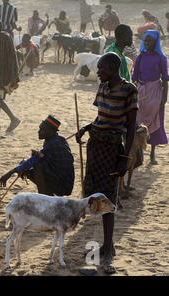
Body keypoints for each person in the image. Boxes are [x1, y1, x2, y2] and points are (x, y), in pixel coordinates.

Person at [76, 52, 138, 274]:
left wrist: (125, 158)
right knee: (95, 195)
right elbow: (100, 118)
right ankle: (104, 246)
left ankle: (109, 250)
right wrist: (86, 128)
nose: (98, 71)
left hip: (112, 149)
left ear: (112, 68)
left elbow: (130, 127)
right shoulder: (102, 86)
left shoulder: (129, 90)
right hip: (96, 146)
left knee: (109, 199)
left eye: (101, 68)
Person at [0, 116, 75, 197]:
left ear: (51, 131)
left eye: (42, 129)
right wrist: (40, 155)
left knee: (36, 166)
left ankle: (45, 199)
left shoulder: (54, 143)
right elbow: (46, 157)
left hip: (63, 184)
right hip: (62, 180)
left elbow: (33, 160)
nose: (39, 132)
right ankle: (48, 196)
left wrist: (10, 172)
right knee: (30, 166)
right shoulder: (58, 140)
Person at [133, 30, 168, 164]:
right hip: (141, 92)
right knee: (138, 120)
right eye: (145, 40)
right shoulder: (140, 57)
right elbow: (135, 77)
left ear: (156, 42)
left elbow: (165, 79)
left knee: (155, 121)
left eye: (149, 41)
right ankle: (139, 151)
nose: (146, 43)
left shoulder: (161, 58)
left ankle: (152, 153)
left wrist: (165, 97)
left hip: (155, 92)